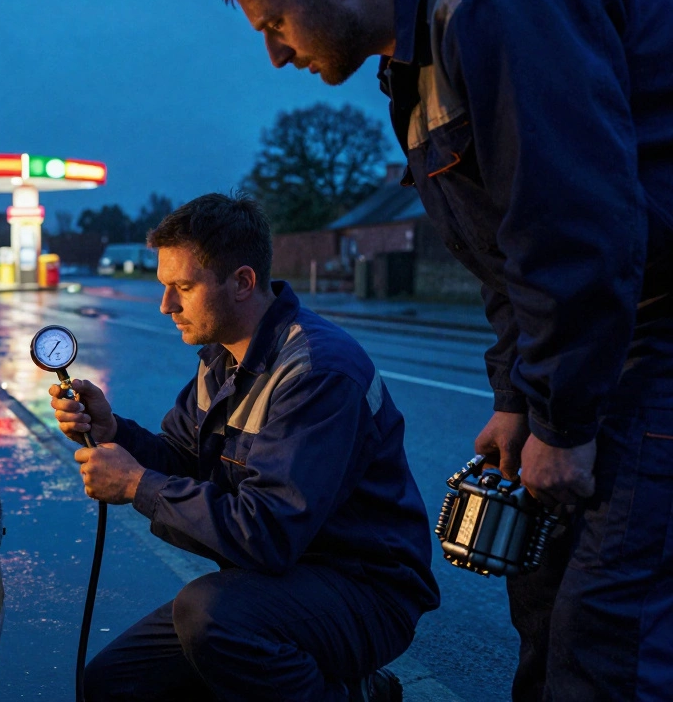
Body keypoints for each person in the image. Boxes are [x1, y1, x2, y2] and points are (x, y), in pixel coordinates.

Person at [216, 0, 673, 698]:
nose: (275, 54)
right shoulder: (413, 70)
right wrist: (517, 399)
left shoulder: (496, 4)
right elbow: (503, 257)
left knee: (609, 626)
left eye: (275, 22)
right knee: (544, 602)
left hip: (648, 329)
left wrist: (562, 419)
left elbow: (577, 223)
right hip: (606, 333)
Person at [49, 193, 439, 702]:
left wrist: (136, 484)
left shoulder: (316, 371)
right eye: (164, 286)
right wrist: (112, 431)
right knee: (113, 682)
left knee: (211, 616)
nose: (166, 305)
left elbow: (268, 533)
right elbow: (185, 460)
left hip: (363, 589)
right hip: (281, 580)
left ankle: (357, 695)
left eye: (182, 287)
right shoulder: (222, 359)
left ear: (242, 282)